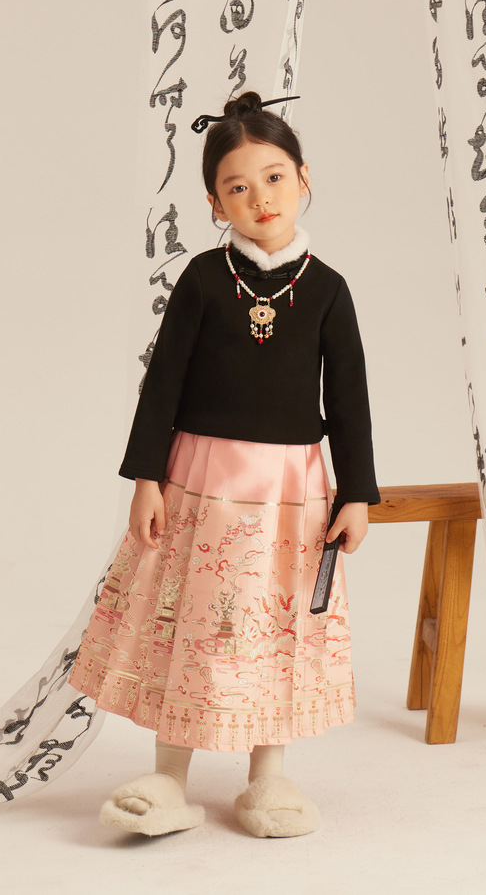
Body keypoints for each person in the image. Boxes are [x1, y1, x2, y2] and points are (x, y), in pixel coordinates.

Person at [68, 90, 380, 838]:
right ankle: (168, 780)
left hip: (291, 492)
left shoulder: (328, 290)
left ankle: (267, 779)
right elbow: (163, 384)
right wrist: (147, 478)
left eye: (274, 178)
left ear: (304, 178)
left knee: (275, 625)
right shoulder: (205, 280)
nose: (260, 198)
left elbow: (349, 398)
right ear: (215, 203)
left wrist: (357, 493)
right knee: (190, 618)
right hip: (199, 481)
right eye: (237, 188)